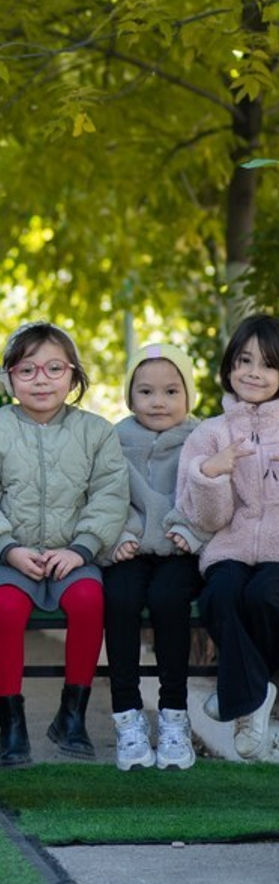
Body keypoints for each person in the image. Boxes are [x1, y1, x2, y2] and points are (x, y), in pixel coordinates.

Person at [0, 322, 127, 766]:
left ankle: (72, 714)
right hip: (7, 555)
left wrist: (82, 548)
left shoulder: (96, 432)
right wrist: (7, 548)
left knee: (90, 601)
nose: (41, 379)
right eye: (27, 369)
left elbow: (109, 495)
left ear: (73, 376)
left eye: (54, 368)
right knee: (7, 609)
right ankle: (11, 725)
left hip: (75, 555)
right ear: (9, 377)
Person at [176, 313, 279, 762]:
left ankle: (239, 694)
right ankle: (255, 696)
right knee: (219, 596)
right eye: (244, 360)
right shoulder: (209, 433)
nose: (254, 372)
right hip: (229, 546)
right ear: (229, 367)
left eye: (269, 364)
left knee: (265, 596)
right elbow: (207, 519)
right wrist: (211, 474)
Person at [103, 343, 206, 771]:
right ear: (130, 397)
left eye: (170, 391)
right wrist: (118, 535)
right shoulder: (114, 439)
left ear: (188, 396)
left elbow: (211, 496)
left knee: (168, 601)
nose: (158, 402)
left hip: (180, 550)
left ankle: (173, 715)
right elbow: (106, 496)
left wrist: (191, 531)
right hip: (129, 548)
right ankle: (127, 718)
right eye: (146, 392)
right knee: (120, 599)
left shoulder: (203, 438)